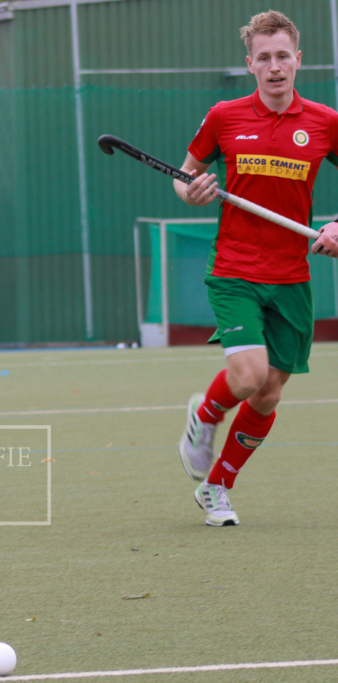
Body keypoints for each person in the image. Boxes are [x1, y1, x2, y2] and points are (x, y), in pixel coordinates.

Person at [176, 10, 338, 527]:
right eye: (263, 58)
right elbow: (185, 175)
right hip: (235, 269)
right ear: (250, 64)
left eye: (282, 56)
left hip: (292, 276)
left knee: (269, 393)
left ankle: (217, 486)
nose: (274, 67)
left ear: (298, 60)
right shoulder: (225, 116)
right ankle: (205, 414)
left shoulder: (324, 122)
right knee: (248, 377)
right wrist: (193, 191)